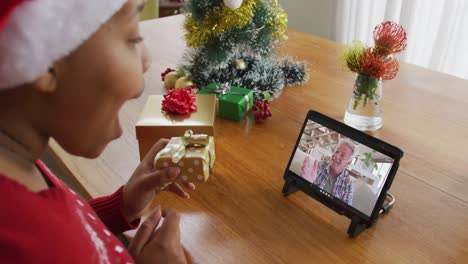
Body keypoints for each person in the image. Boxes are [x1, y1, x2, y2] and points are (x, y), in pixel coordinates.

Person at [0, 1, 194, 263]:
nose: (147, 59)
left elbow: (66, 234)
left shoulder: (17, 171)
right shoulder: (38, 242)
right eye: (133, 38)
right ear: (46, 60)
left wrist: (121, 207)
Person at [301, 139, 355, 205]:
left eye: (342, 155)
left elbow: (346, 210)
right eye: (336, 151)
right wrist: (306, 182)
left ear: (348, 163)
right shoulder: (319, 167)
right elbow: (303, 191)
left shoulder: (348, 184)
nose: (336, 156)